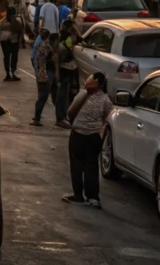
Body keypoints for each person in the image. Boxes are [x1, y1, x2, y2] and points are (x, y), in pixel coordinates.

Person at [63, 72, 112, 208]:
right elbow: (108, 118)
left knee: (77, 165)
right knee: (91, 166)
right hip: (94, 136)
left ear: (96, 82)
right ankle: (93, 198)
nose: (87, 80)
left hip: (78, 134)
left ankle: (78, 195)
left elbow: (70, 111)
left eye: (90, 78)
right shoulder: (106, 100)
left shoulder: (82, 95)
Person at [31, 30, 57, 127]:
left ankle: (37, 117)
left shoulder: (44, 46)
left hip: (41, 75)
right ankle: (37, 118)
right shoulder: (46, 48)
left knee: (42, 97)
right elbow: (40, 62)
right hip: (43, 76)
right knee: (42, 97)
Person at [0, 7, 22, 81]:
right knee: (8, 57)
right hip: (6, 41)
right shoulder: (3, 21)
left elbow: (20, 31)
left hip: (12, 41)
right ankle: (9, 73)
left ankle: (11, 73)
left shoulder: (17, 21)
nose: (12, 16)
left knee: (12, 57)